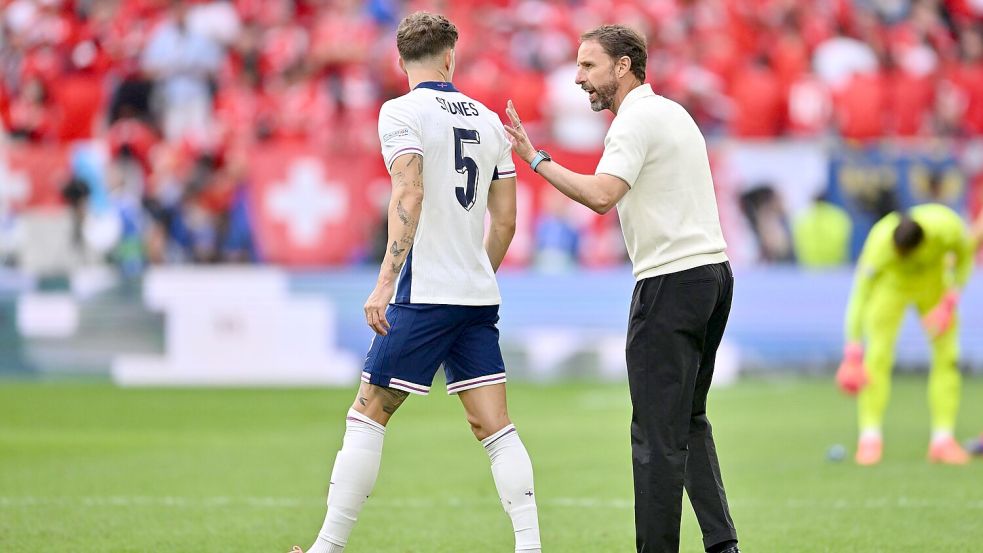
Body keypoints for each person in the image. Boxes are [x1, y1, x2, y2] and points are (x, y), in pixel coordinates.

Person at [292, 12, 541, 553]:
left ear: (399, 60)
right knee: (494, 426)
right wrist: (474, 273)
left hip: (423, 293)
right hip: (475, 297)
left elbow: (408, 193)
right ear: (451, 56)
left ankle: (326, 549)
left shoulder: (400, 112)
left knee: (369, 411)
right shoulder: (489, 121)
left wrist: (384, 283)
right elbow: (506, 223)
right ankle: (530, 547)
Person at [504, 24, 739, 553]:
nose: (579, 77)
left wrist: (536, 160)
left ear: (624, 66)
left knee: (655, 435)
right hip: (714, 276)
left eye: (589, 66)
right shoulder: (673, 112)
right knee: (689, 420)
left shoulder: (633, 121)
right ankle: (722, 544)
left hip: (670, 282)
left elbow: (603, 196)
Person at [836, 204, 974, 465]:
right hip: (892, 288)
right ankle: (870, 438)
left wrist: (950, 300)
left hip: (932, 286)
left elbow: (965, 258)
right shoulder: (880, 244)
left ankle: (943, 440)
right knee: (877, 357)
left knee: (948, 358)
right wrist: (852, 351)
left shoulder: (947, 228)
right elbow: (860, 296)